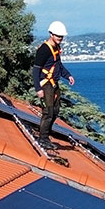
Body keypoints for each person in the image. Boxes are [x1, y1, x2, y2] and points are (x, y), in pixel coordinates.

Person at [32, 20, 75, 149]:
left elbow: (58, 65)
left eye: (61, 36)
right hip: (45, 84)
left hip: (54, 84)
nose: (60, 38)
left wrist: (68, 76)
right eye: (58, 36)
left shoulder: (56, 48)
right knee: (48, 112)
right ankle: (43, 138)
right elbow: (35, 69)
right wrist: (38, 88)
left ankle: (46, 135)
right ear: (51, 34)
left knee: (55, 111)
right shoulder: (44, 50)